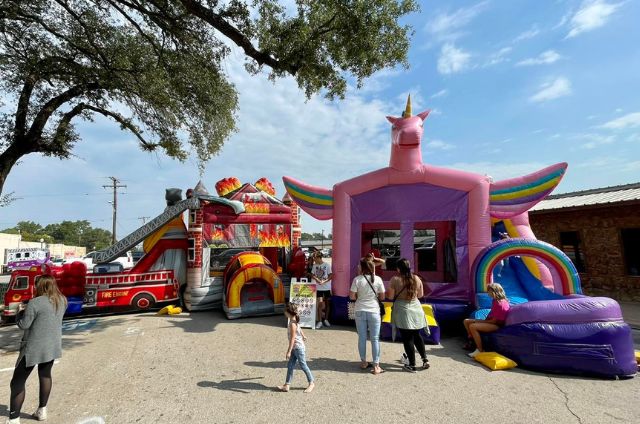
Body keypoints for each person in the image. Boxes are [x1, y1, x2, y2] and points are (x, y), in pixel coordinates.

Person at [7, 275, 67, 424]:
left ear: (39, 286)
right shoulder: (62, 300)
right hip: (51, 347)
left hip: (32, 349)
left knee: (17, 382)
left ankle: (14, 419)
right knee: (45, 376)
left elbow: (24, 325)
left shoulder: (35, 303)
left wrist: (19, 312)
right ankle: (42, 410)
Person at [387, 258, 429, 373]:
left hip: (403, 311)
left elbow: (390, 297)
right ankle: (425, 360)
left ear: (398, 268)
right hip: (416, 308)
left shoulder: (395, 279)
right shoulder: (416, 278)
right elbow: (420, 295)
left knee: (407, 338)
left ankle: (412, 364)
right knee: (417, 335)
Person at [349, 258, 386, 375]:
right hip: (374, 311)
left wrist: (360, 297)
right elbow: (382, 297)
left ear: (363, 268)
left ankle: (364, 362)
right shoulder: (378, 279)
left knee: (362, 337)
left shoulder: (357, 280)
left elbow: (352, 297)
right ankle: (376, 366)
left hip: (360, 310)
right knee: (375, 338)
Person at [464, 282, 510, 358]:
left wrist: (478, 321)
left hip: (497, 325)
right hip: (492, 322)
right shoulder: (495, 301)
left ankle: (480, 350)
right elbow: (491, 314)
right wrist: (480, 320)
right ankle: (471, 341)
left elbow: (494, 322)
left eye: (489, 290)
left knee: (473, 326)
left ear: (494, 291)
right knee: (466, 321)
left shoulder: (500, 304)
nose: (487, 292)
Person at [277, 303, 315, 393]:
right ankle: (287, 385)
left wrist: (289, 351)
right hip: (296, 348)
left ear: (289, 312)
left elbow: (293, 338)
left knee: (303, 365)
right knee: (290, 365)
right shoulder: (294, 320)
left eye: (285, 312)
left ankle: (311, 382)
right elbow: (300, 328)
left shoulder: (292, 324)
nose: (284, 314)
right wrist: (303, 335)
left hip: (297, 348)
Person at [310, 251, 332, 329]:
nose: (314, 259)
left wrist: (324, 281)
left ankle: (326, 319)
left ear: (319, 257)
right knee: (320, 304)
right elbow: (312, 275)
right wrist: (317, 279)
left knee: (327, 303)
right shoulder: (314, 266)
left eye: (315, 258)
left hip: (326, 288)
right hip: (318, 288)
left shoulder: (327, 265)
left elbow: (331, 276)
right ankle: (319, 321)